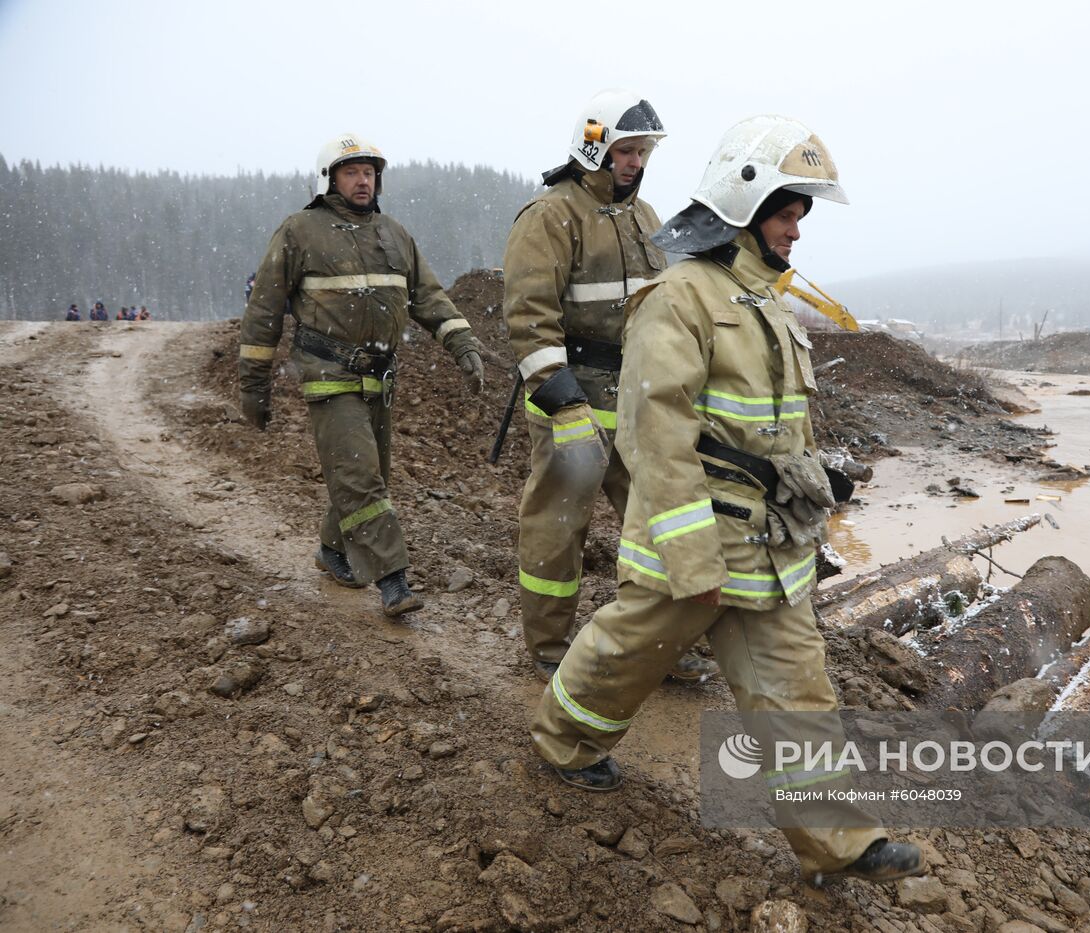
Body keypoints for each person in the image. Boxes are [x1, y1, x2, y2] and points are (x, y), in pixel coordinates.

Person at [529, 116, 926, 883]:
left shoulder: (766, 302)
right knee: (627, 654)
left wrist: (812, 480)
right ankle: (562, 742)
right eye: (788, 214)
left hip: (768, 547)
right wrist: (690, 553)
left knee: (797, 685)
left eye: (801, 216)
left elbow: (772, 427)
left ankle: (841, 840)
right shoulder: (679, 296)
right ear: (746, 205)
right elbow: (654, 432)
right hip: (697, 540)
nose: (797, 231)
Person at [503, 89, 715, 684]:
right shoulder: (550, 216)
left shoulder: (645, 217)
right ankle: (549, 646)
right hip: (573, 396)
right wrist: (560, 397)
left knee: (654, 522)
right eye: (626, 150)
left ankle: (655, 644)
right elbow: (529, 316)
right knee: (558, 524)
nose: (636, 162)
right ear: (593, 148)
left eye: (643, 152)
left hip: (636, 394)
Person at [238, 133, 487, 617]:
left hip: (380, 379)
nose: (362, 181)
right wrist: (254, 385)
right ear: (329, 179)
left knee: (367, 475)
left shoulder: (395, 234)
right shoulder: (300, 231)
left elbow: (428, 297)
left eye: (369, 172)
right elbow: (264, 310)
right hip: (328, 376)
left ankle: (332, 549)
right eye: (351, 172)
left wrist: (463, 345)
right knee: (361, 477)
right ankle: (393, 580)